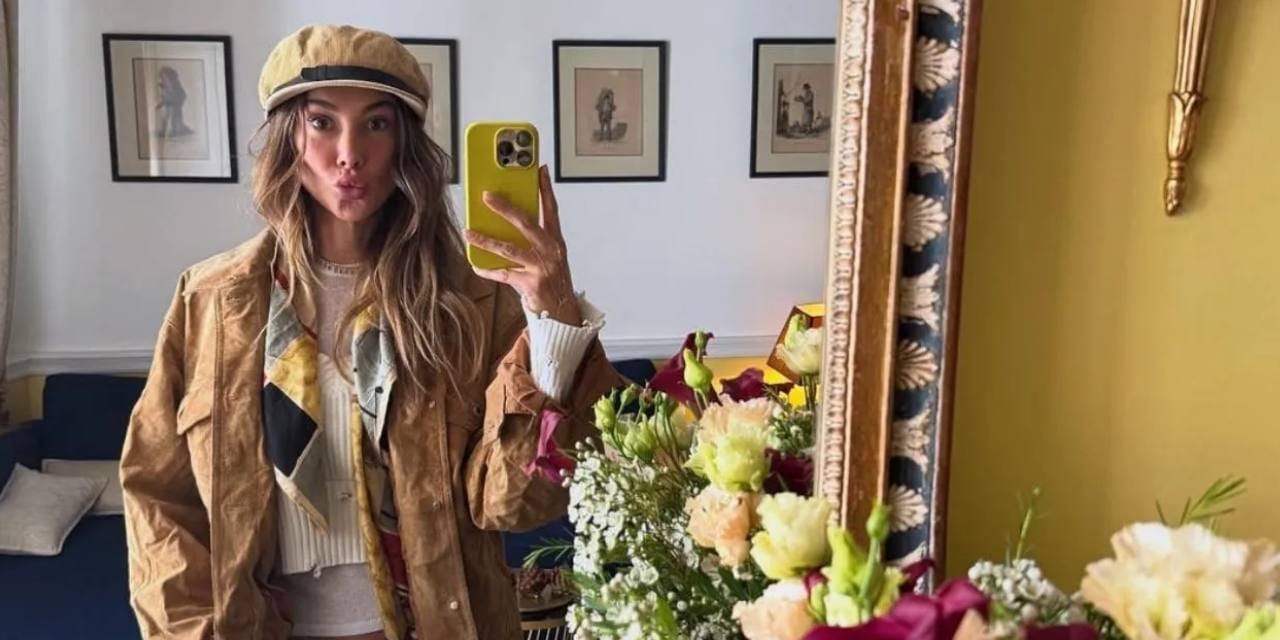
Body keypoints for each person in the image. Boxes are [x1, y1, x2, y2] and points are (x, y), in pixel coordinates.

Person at [120, 24, 620, 640]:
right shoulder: (210, 300)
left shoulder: (472, 302)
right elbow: (158, 495)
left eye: (376, 124)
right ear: (288, 138)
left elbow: (512, 504)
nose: (349, 153)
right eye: (322, 122)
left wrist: (553, 321)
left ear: (405, 145)